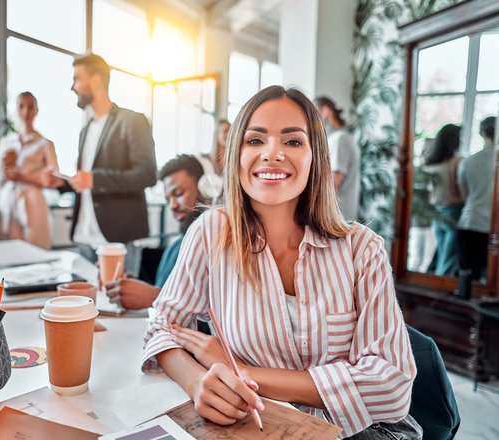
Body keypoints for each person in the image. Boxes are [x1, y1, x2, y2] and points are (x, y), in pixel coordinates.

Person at [142, 86, 420, 438]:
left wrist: (239, 371)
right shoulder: (212, 232)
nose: (271, 154)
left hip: (363, 431)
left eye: (292, 142)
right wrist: (196, 381)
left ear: (315, 157)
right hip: (260, 426)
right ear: (236, 155)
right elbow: (162, 327)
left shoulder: (361, 249)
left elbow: (390, 386)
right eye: (255, 141)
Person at [51, 54, 156, 262]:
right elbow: (86, 182)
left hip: (118, 238)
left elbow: (147, 175)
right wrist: (63, 184)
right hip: (83, 236)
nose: (73, 87)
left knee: (118, 296)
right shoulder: (86, 130)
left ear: (96, 81)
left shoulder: (132, 121)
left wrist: (94, 179)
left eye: (77, 79)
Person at [105, 154, 206, 310]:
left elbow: (218, 318)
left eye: (178, 193)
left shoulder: (218, 246)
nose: (172, 205)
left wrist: (155, 297)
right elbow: (162, 291)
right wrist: (129, 288)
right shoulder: (175, 247)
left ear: (204, 188)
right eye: (168, 199)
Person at [0, 92, 59, 249]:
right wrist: (6, 172)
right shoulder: (6, 143)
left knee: (37, 250)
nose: (26, 112)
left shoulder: (45, 144)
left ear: (36, 110)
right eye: (21, 107)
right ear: (16, 110)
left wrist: (22, 177)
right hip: (10, 201)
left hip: (34, 200)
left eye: (30, 107)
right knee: (11, 252)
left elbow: (54, 180)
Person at [457, 116, 497, 281]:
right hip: (493, 226)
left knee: (467, 277)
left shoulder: (468, 162)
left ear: (482, 133)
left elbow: (464, 196)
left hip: (470, 220)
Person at [422, 124, 464, 276]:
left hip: (437, 213)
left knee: (442, 255)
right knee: (448, 260)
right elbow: (460, 190)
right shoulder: (457, 162)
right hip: (453, 212)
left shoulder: (431, 163)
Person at [314, 96, 360, 220]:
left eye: (315, 115)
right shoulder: (337, 138)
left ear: (325, 111)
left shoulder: (340, 139)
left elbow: (333, 183)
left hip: (338, 216)